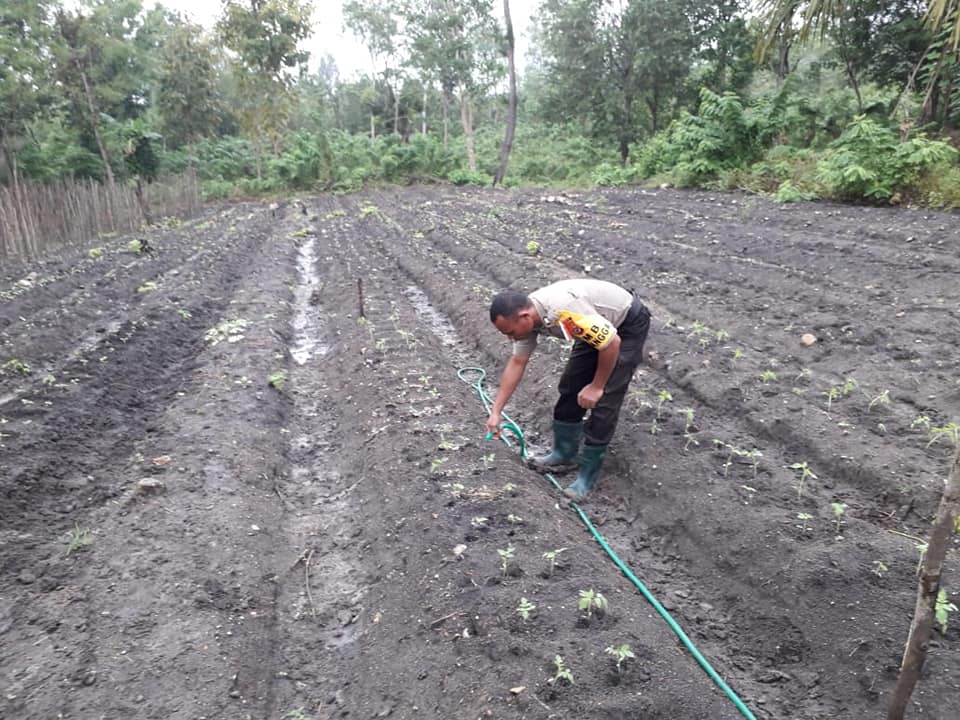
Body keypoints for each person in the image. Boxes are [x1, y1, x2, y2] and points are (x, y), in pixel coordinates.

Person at [486, 278, 651, 501]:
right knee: (571, 386)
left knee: (605, 400)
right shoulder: (527, 322)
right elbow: (517, 362)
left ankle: (587, 478)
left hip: (626, 325)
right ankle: (564, 454)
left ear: (525, 317)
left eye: (510, 331)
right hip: (593, 325)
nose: (509, 337)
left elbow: (611, 343)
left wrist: (596, 386)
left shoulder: (564, 311)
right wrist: (496, 412)